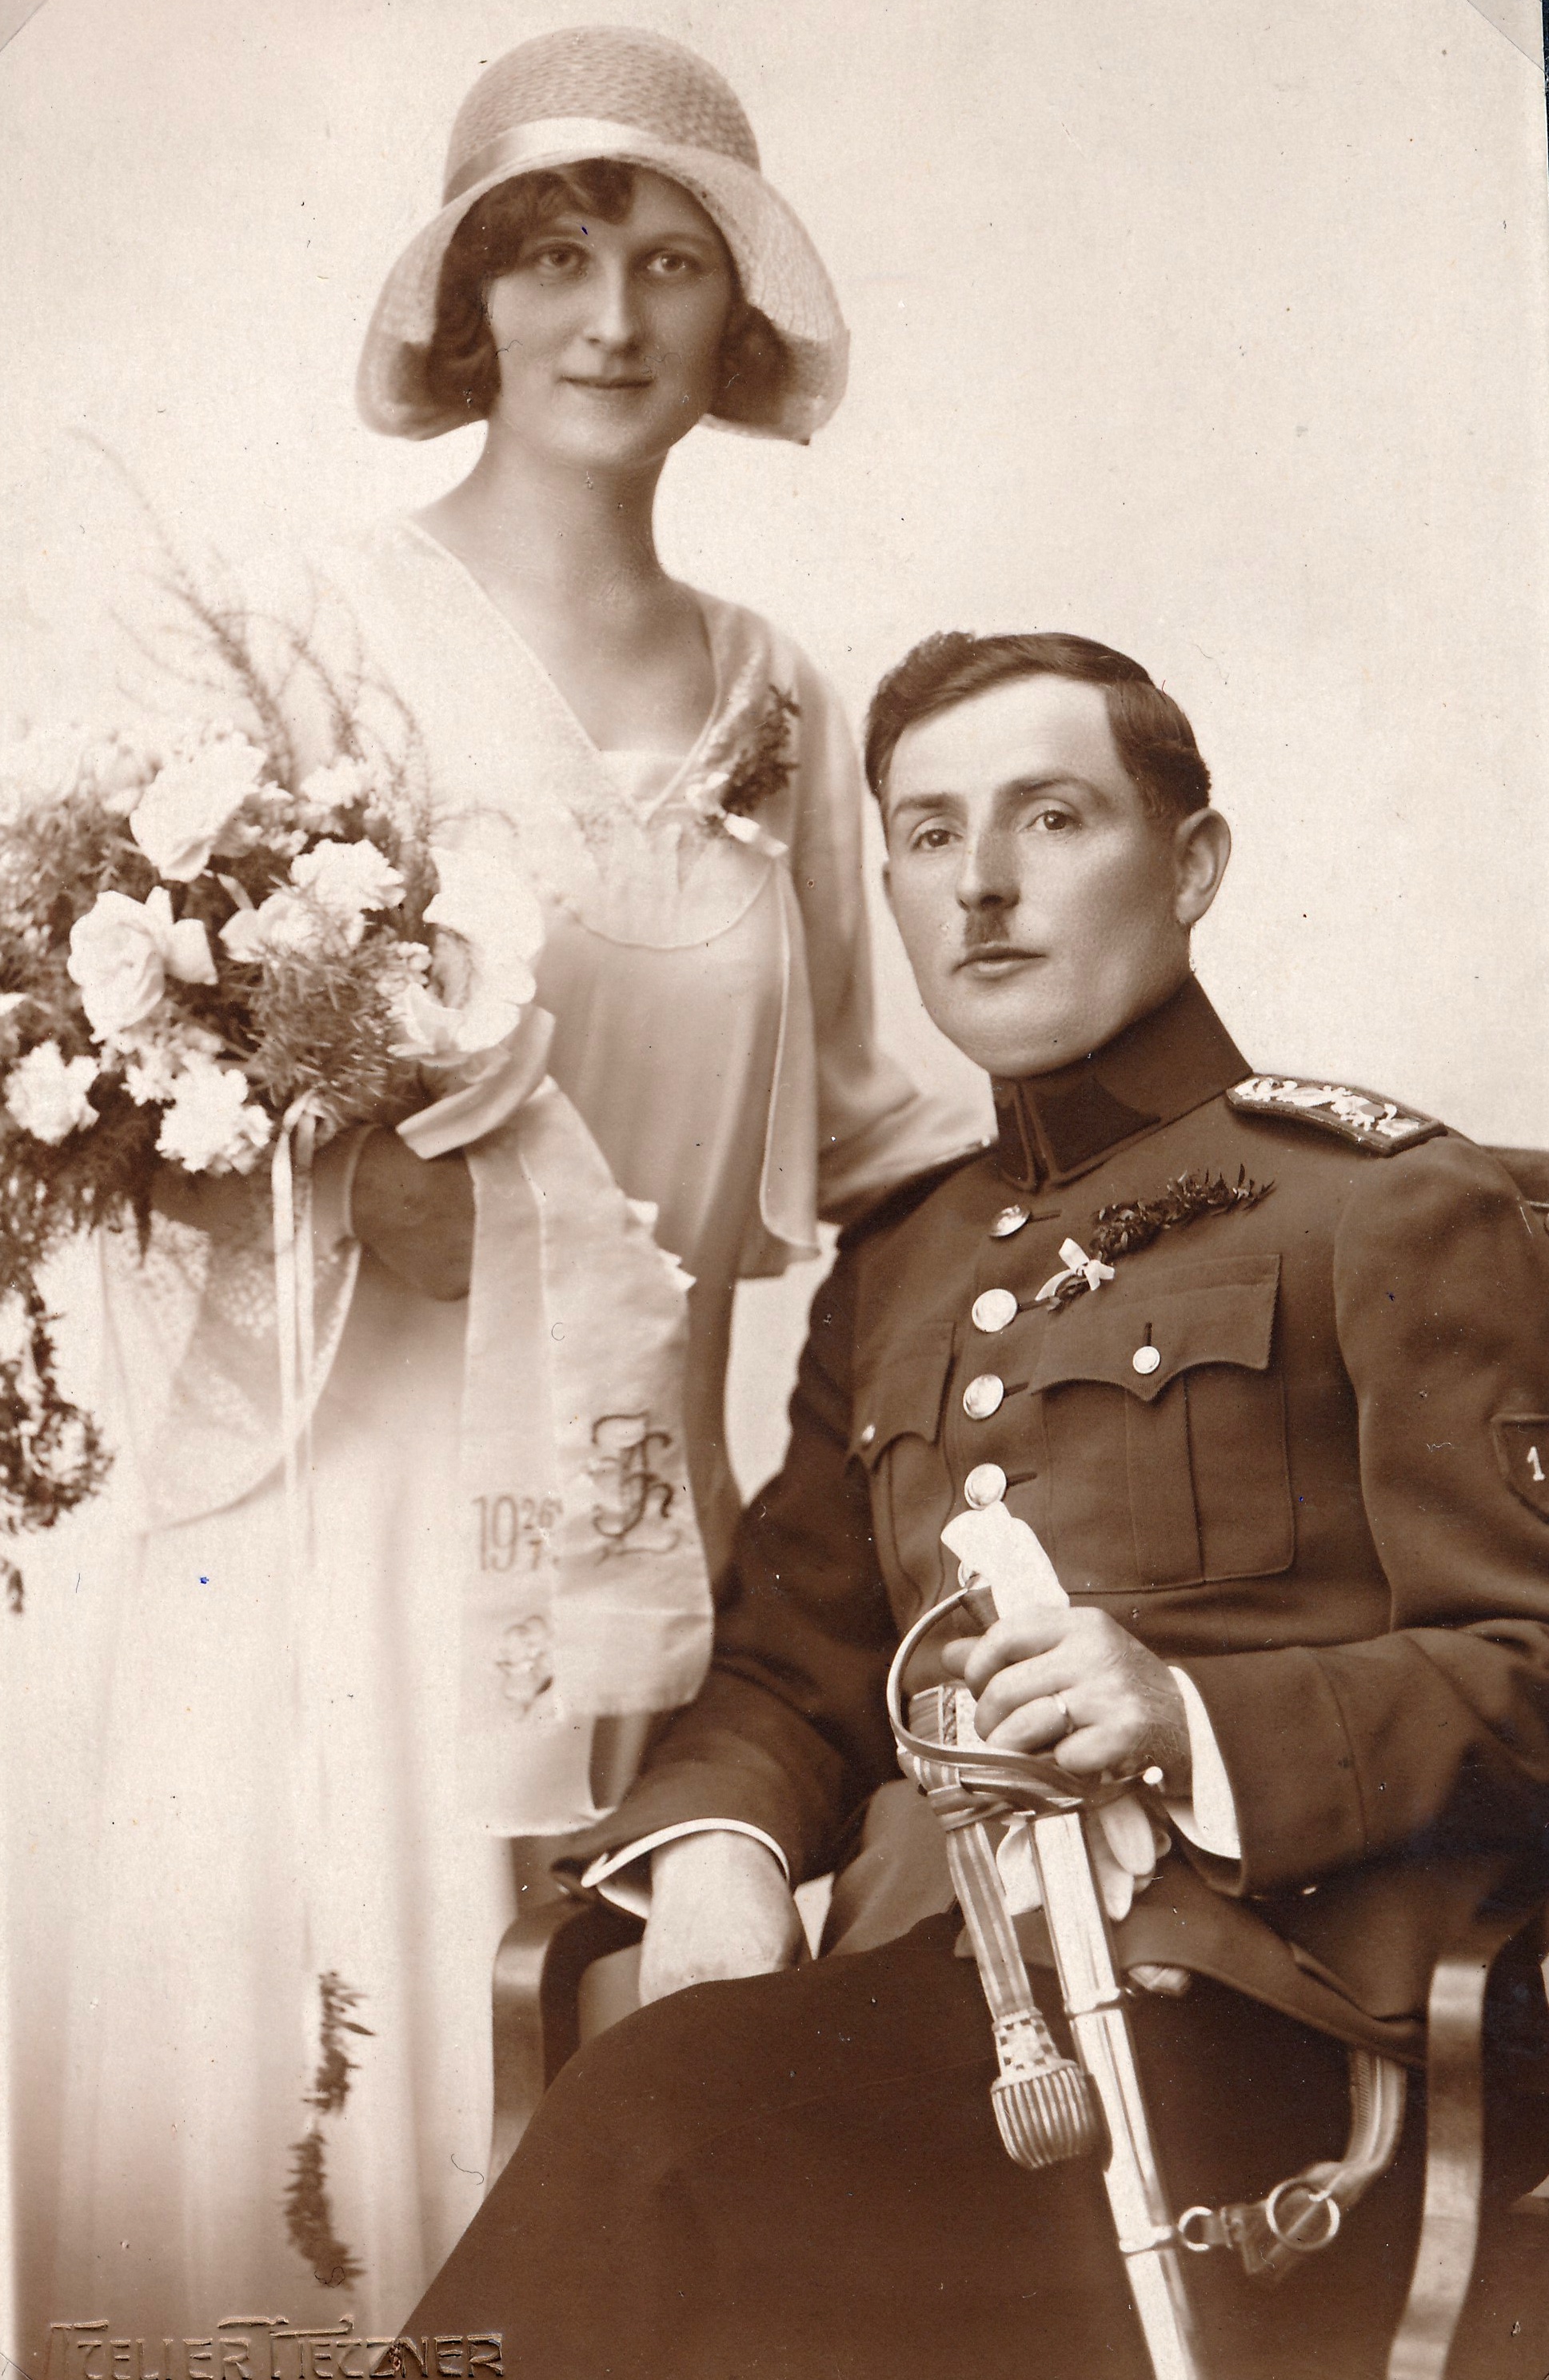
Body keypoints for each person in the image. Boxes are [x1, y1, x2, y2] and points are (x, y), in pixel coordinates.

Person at [4, 28, 971, 2349]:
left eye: (669, 262)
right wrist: (346, 1200)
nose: (611, 320)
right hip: (341, 1541)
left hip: (642, 1538)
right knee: (332, 2113)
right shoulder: (300, 641)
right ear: (469, 303)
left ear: (737, 311)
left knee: (606, 2139)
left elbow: (888, 1136)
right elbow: (104, 1101)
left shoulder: (779, 699)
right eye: (551, 256)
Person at [404, 631, 1549, 2378]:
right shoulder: (900, 1264)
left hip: (1275, 2040)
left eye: (1052, 818)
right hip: (957, 2011)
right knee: (688, 2133)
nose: (982, 885)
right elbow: (790, 1669)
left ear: (1192, 865)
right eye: (929, 835)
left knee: (667, 2134)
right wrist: (718, 1850)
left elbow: (1529, 1666)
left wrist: (1190, 1717)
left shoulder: (1383, 1208)